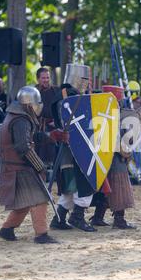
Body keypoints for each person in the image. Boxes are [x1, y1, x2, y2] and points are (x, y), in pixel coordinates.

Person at [0, 86, 59, 244]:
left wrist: (50, 136)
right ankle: (42, 234)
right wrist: (39, 165)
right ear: (30, 104)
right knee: (39, 198)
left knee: (25, 201)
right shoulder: (20, 120)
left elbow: (31, 137)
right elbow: (23, 147)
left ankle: (7, 230)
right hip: (19, 166)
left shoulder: (17, 115)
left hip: (16, 166)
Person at [49, 66, 98, 232]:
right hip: (75, 149)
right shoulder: (70, 98)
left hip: (69, 149)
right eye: (86, 80)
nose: (88, 84)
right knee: (83, 182)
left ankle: (59, 218)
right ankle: (77, 217)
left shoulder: (65, 96)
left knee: (71, 186)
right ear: (78, 79)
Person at [89, 86, 137, 229]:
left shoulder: (100, 113)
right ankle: (119, 220)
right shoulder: (111, 115)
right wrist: (126, 151)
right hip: (114, 157)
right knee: (118, 187)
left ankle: (98, 217)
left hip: (103, 157)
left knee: (106, 187)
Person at [35, 67, 59, 165]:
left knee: (54, 154)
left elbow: (61, 107)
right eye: (43, 78)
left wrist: (57, 121)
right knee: (39, 156)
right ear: (38, 79)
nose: (46, 80)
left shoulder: (56, 90)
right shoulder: (34, 92)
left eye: (47, 78)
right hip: (38, 128)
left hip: (54, 126)